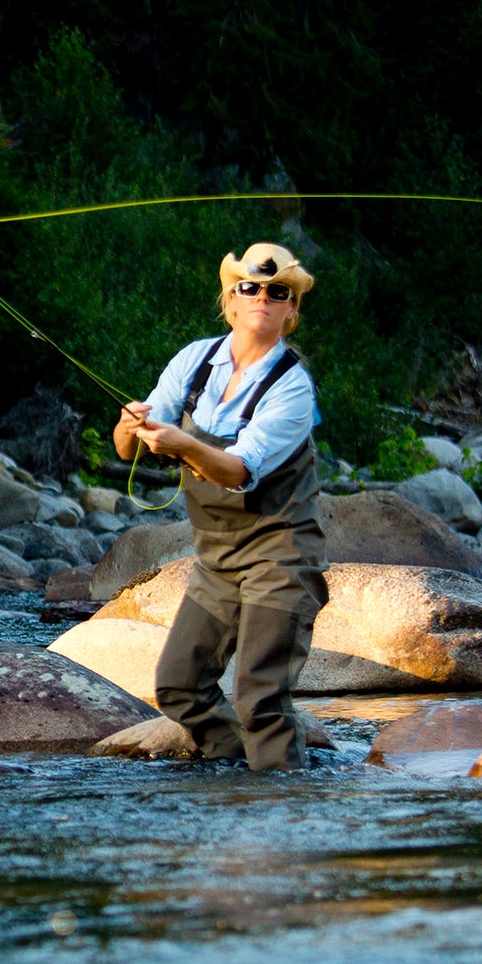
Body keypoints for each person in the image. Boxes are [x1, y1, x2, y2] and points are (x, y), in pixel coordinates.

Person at [112, 242, 326, 769]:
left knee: (261, 699)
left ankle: (283, 815)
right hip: (218, 561)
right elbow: (124, 449)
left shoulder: (293, 388)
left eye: (278, 292)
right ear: (229, 301)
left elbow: (237, 470)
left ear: (291, 311)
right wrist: (129, 425)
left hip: (281, 557)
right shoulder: (195, 360)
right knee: (179, 687)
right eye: (248, 288)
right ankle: (234, 781)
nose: (263, 298)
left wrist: (182, 445)